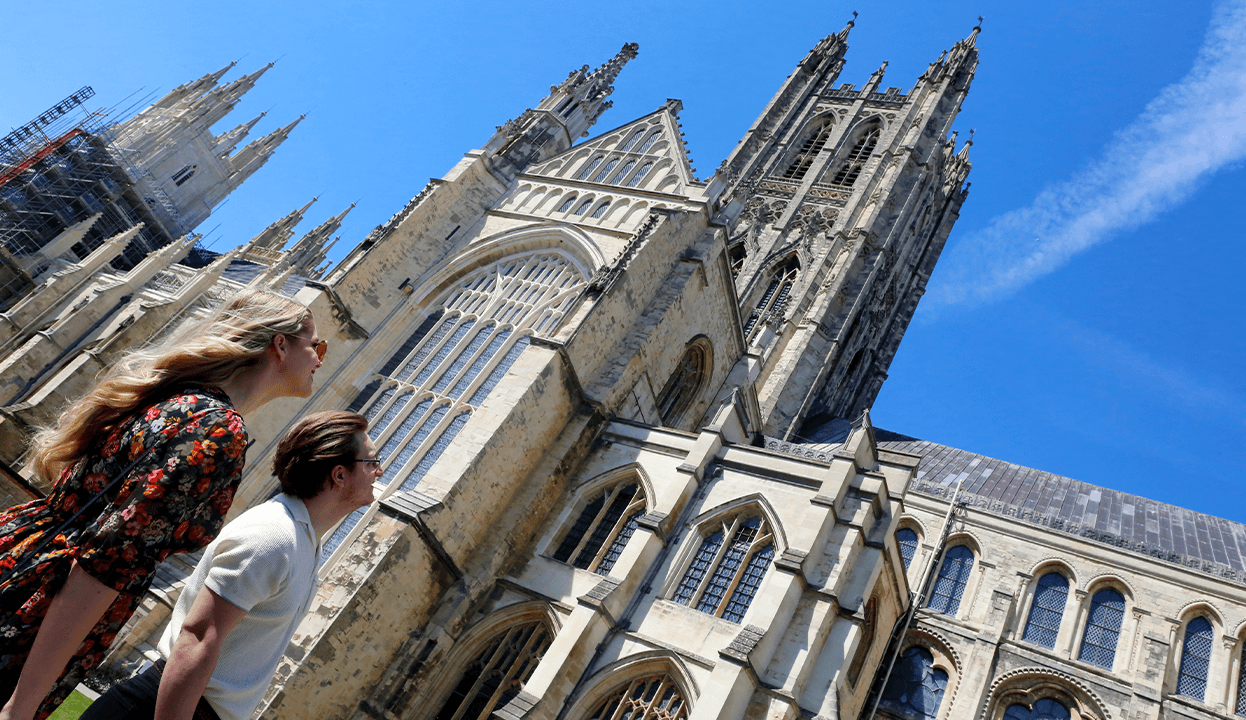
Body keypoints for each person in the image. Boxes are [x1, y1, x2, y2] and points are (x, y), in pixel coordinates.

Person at [0, 288, 327, 720]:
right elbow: (102, 568)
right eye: (315, 345)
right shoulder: (216, 431)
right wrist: (19, 706)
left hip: (19, 555)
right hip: (35, 603)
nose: (321, 358)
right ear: (280, 345)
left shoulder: (179, 400)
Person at [78, 411, 380, 720]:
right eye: (371, 462)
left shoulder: (303, 540)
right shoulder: (273, 536)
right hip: (165, 706)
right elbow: (197, 638)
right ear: (339, 474)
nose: (379, 471)